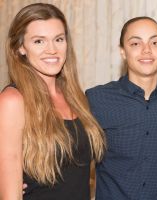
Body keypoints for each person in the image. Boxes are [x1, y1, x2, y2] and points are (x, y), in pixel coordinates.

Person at [0, 3, 105, 200]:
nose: (52, 50)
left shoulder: (76, 97)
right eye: (39, 41)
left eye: (58, 39)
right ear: (20, 48)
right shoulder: (12, 100)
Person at [86, 16, 157, 200]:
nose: (147, 50)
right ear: (123, 51)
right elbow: (75, 163)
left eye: (154, 42)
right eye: (136, 43)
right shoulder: (96, 99)